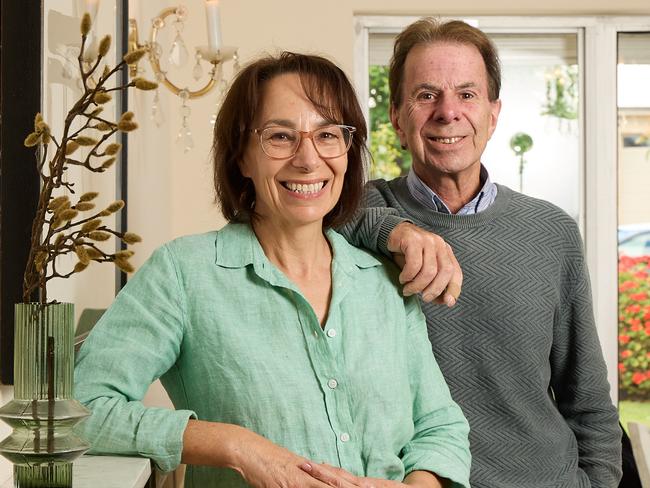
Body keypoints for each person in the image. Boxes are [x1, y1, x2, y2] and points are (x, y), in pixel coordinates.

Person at [74, 52, 471, 488]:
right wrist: (236, 445)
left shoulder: (385, 283)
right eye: (281, 137)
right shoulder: (184, 274)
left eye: (328, 136)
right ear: (242, 156)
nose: (308, 159)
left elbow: (440, 425)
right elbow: (78, 409)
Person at [340, 18, 622, 488]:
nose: (448, 112)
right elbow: (311, 208)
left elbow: (587, 399)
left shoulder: (552, 231)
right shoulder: (363, 212)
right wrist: (399, 230)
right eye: (426, 95)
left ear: (493, 114)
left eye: (467, 95)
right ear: (396, 114)